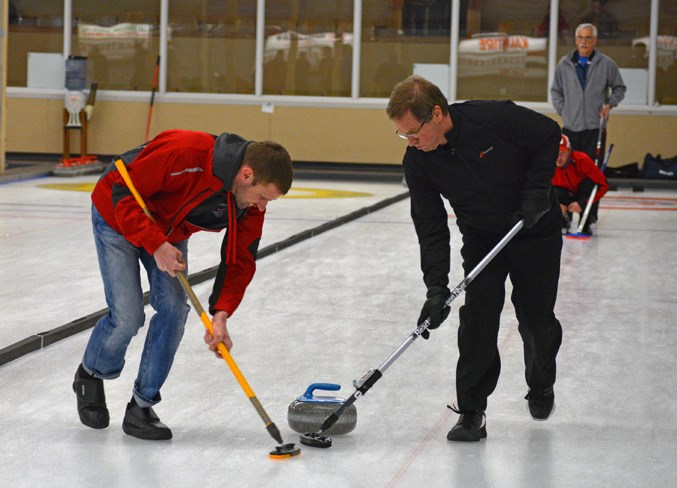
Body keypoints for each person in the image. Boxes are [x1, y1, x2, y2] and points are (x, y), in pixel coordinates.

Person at [73, 129, 293, 440]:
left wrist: (221, 315)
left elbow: (240, 259)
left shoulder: (250, 204)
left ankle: (141, 407)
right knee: (128, 315)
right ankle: (90, 373)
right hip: (117, 214)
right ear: (246, 175)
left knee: (175, 309)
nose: (261, 208)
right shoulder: (186, 152)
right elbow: (123, 192)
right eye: (262, 197)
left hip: (169, 227)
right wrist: (154, 244)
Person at [387, 75, 563, 442]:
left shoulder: (493, 119)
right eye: (403, 136)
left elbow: (548, 133)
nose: (411, 142)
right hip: (482, 236)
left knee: (535, 317)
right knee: (478, 320)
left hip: (533, 228)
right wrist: (435, 288)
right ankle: (471, 411)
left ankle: (541, 382)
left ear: (437, 114)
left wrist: (536, 192)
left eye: (414, 133)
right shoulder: (418, 162)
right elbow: (431, 227)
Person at [551, 23, 624, 228]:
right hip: (571, 128)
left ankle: (587, 216)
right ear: (576, 40)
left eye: (588, 38)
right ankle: (563, 214)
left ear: (595, 41)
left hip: (594, 129)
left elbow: (619, 87)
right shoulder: (564, 64)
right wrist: (563, 110)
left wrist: (610, 104)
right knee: (564, 173)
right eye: (581, 38)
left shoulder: (606, 64)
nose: (584, 42)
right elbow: (556, 91)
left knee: (591, 175)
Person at [553, 134, 609, 235]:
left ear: (569, 151)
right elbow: (539, 188)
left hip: (582, 194)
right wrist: (553, 203)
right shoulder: (546, 164)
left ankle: (586, 222)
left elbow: (603, 185)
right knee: (555, 192)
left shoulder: (582, 160)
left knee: (590, 185)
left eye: (563, 153)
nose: (559, 158)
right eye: (555, 153)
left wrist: (583, 203)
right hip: (563, 194)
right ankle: (563, 221)